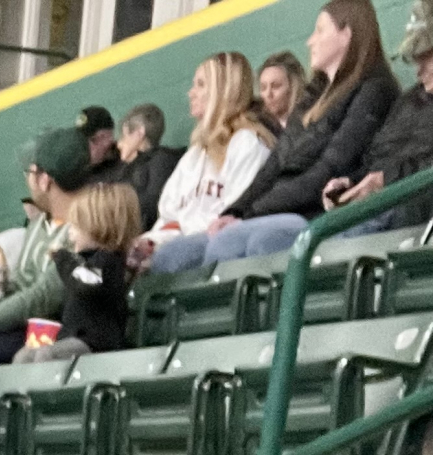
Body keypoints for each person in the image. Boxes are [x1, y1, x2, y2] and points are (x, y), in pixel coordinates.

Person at [166, 0, 398, 267]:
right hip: (277, 209)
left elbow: (331, 168)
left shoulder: (374, 90)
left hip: (314, 211)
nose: (310, 41)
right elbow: (272, 165)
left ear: (346, 35)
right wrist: (235, 210)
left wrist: (250, 215)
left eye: (320, 31)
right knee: (174, 254)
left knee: (238, 242)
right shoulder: (312, 95)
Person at [0, 125, 87, 370]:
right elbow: (25, 284)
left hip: (50, 332)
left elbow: (42, 298)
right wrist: (2, 287)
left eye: (31, 172)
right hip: (19, 325)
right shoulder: (38, 223)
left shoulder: (83, 229)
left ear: (45, 180)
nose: (27, 180)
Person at [143, 53, 278, 270]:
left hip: (214, 249)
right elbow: (168, 215)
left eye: (201, 84)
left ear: (223, 91)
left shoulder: (248, 143)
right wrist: (148, 243)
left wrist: (167, 241)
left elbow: (230, 218)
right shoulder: (195, 153)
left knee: (171, 255)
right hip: (177, 245)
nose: (191, 93)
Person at [320, 15, 433, 232]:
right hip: (382, 205)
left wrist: (384, 180)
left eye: (425, 58)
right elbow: (377, 159)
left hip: (409, 206)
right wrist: (352, 182)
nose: (418, 71)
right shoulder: (409, 101)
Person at [16, 181, 140, 361]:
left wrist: (62, 259)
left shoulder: (109, 260)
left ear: (97, 227)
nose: (69, 234)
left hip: (97, 344)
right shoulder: (85, 260)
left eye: (75, 227)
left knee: (47, 355)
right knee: (24, 355)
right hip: (72, 338)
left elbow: (85, 283)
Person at [111, 103, 183, 230]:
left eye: (124, 135)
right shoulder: (125, 169)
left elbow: (152, 207)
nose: (119, 144)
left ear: (139, 133)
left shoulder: (162, 161)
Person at [258, 47, 309, 126]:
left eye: (275, 86)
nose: (268, 94)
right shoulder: (259, 129)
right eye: (263, 88)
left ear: (293, 87)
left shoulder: (310, 122)